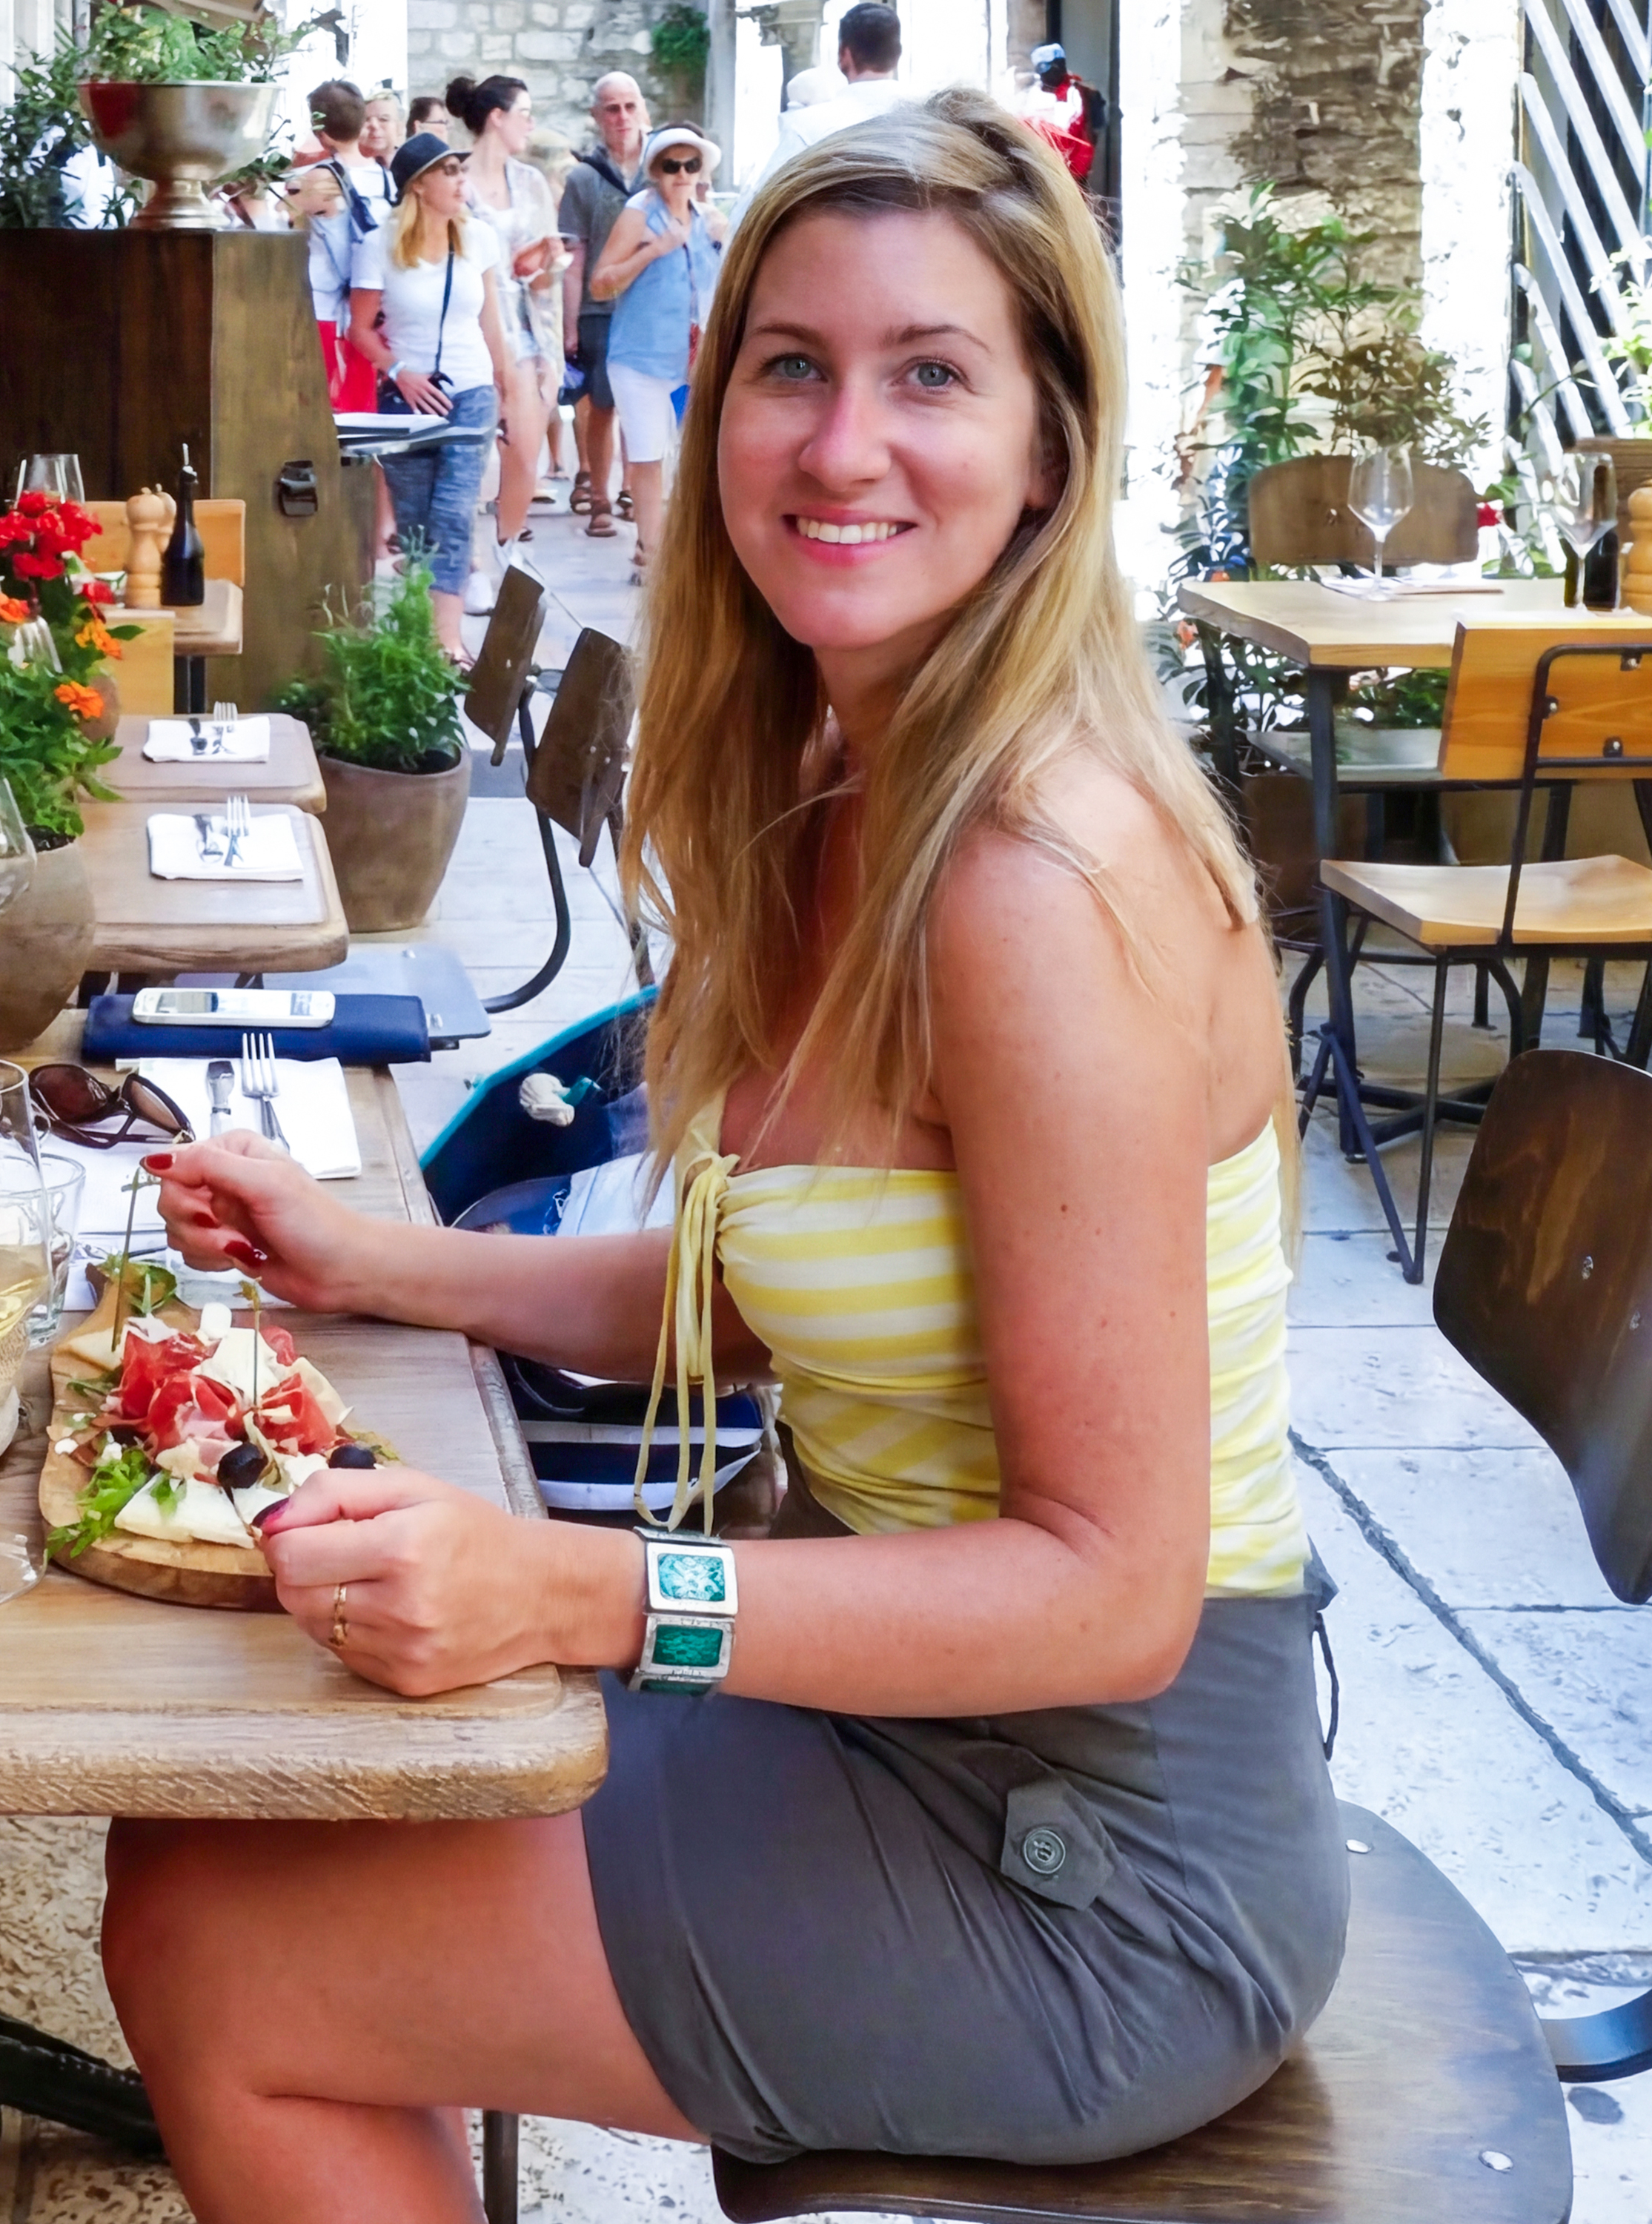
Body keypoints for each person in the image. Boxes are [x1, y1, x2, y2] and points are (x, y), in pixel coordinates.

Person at [99, 94, 1347, 2220]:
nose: (841, 446)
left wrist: (578, 1590)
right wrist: (364, 1257)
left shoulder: (1036, 881)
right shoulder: (838, 781)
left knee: (218, 1948)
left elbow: (1115, 1593)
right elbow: (755, 1296)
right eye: (789, 366)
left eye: (928, 374)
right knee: (231, 1812)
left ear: (1049, 446)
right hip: (889, 1721)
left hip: (1094, 1859)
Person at [349, 130, 520, 643]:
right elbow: (360, 330)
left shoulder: (477, 237)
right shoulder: (378, 244)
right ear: (418, 185)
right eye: (450, 171)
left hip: (470, 389)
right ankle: (422, 638)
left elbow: (492, 322)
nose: (461, 180)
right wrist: (400, 370)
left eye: (462, 171)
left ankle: (449, 641)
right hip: (407, 396)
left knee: (453, 512)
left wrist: (506, 387)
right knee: (416, 521)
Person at [588, 122, 729, 583]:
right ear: (656, 170)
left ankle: (686, 549)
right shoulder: (640, 214)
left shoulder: (709, 219)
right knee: (648, 456)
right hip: (640, 361)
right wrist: (653, 251)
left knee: (697, 457)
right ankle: (651, 553)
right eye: (672, 165)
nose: (682, 174)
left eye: (691, 164)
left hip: (692, 364)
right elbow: (601, 283)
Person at [452, 75, 568, 552]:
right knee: (466, 457)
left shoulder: (531, 181)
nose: (531, 124)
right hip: (467, 326)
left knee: (524, 450)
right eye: (525, 113)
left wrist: (546, 263)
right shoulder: (454, 179)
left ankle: (508, 549)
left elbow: (545, 276)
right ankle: (465, 559)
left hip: (525, 328)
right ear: (497, 118)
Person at [557, 70, 650, 536]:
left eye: (630, 106)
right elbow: (574, 259)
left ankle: (633, 488)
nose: (622, 117)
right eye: (612, 109)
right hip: (600, 309)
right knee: (602, 405)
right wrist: (569, 325)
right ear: (597, 116)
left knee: (642, 406)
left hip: (652, 308)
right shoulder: (584, 179)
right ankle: (599, 495)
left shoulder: (666, 167)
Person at [756, 1, 915, 184]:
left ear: (843, 54)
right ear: (898, 54)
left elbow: (763, 197)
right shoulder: (931, 122)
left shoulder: (807, 129)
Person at [301, 82, 385, 413]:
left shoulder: (319, 179)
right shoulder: (386, 179)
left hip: (324, 311)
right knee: (362, 414)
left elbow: (276, 224)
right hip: (371, 312)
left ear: (319, 131)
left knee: (319, 412)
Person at [1015, 42, 1105, 186]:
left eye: (1058, 66)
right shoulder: (1030, 96)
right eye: (1048, 69)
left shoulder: (1081, 94)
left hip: (1074, 171)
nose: (1053, 73)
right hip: (1040, 170)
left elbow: (1094, 130)